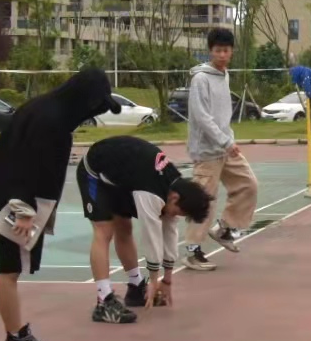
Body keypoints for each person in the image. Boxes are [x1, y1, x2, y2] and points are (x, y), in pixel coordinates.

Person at [0, 68, 123, 341]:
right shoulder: (51, 121)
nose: (92, 113)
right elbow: (24, 165)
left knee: (11, 265)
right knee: (8, 269)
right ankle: (15, 339)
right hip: (9, 198)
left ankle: (15, 336)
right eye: (95, 106)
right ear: (84, 99)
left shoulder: (44, 109)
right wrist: (23, 209)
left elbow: (7, 146)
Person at [76, 135, 212, 322]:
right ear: (175, 198)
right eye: (177, 212)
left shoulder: (176, 186)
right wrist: (154, 279)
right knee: (104, 230)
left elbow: (170, 233)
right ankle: (103, 301)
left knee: (125, 227)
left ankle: (136, 287)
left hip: (120, 177)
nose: (175, 216)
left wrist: (167, 280)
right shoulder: (152, 193)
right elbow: (151, 235)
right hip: (94, 172)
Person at [181, 28, 259, 271]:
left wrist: (228, 141)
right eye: (218, 51)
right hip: (207, 151)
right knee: (204, 201)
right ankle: (192, 252)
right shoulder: (200, 79)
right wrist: (225, 142)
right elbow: (202, 117)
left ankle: (224, 229)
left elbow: (222, 115)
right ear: (210, 51)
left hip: (225, 147)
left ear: (232, 51)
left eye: (226, 50)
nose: (222, 55)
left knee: (248, 185)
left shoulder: (224, 75)